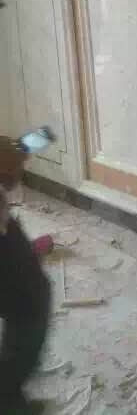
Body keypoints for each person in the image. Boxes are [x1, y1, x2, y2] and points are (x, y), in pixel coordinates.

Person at [0, 137, 51, 414]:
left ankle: (10, 397)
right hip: (23, 298)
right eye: (18, 171)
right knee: (24, 343)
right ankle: (8, 400)